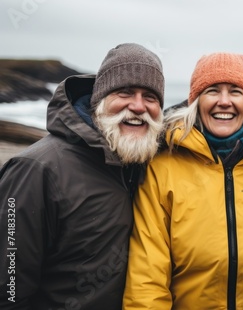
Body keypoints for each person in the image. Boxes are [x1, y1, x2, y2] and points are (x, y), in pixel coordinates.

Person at [123, 52, 243, 309]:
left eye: (235, 91)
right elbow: (147, 275)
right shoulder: (162, 168)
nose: (224, 102)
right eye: (212, 90)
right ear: (196, 101)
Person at [0, 43, 165, 310]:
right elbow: (9, 289)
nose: (138, 106)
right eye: (124, 92)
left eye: (150, 96)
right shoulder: (35, 168)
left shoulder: (143, 163)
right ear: (98, 100)